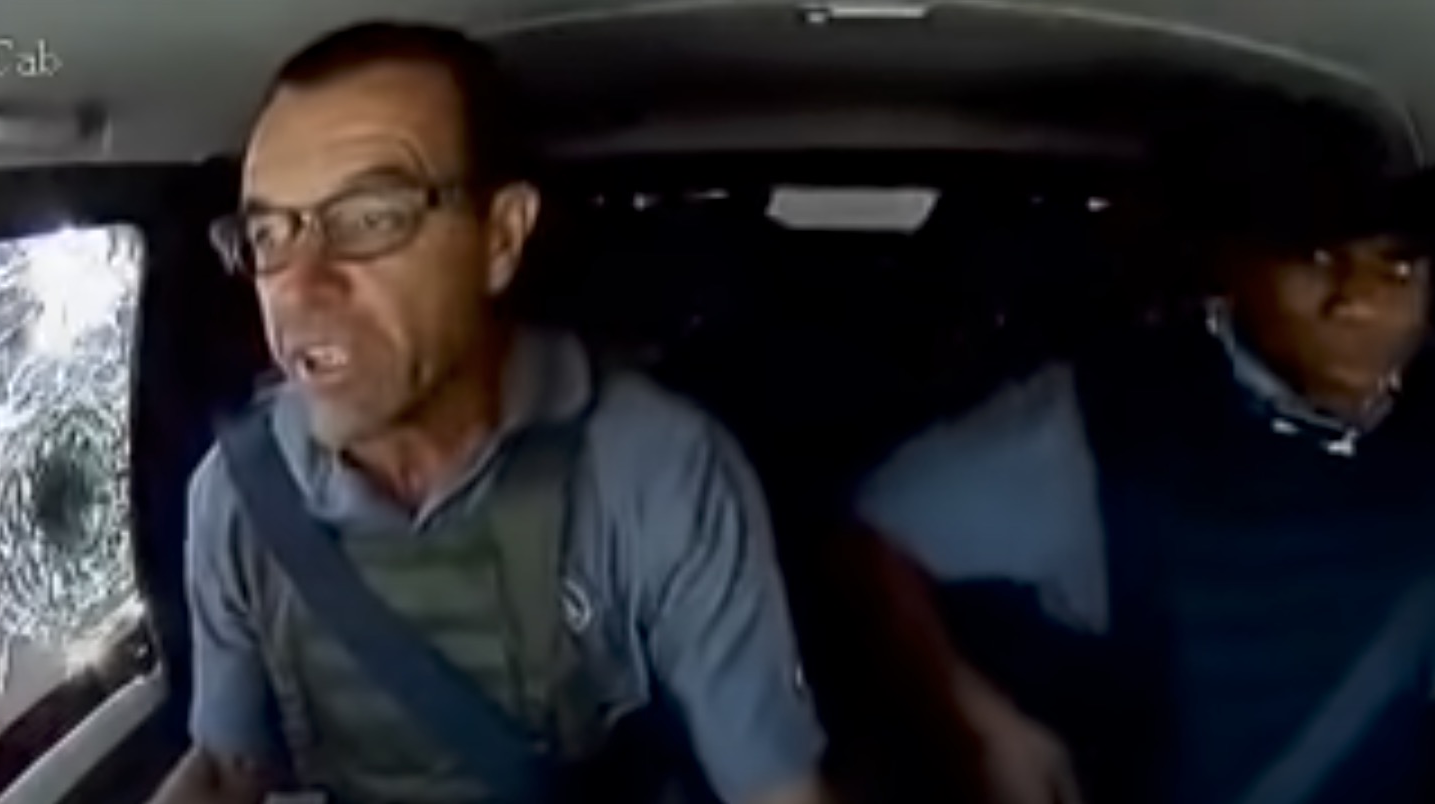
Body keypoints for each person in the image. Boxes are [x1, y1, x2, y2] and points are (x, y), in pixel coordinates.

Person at [149, 22, 833, 804]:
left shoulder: (654, 469)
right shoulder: (237, 493)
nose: (299, 286)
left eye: (370, 218)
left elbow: (775, 791)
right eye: (270, 233)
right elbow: (229, 766)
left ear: (501, 238)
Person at [852, 164, 1435, 804]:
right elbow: (874, 531)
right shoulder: (1109, 418)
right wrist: (977, 719)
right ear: (1236, 267)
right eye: (1316, 261)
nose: (1359, 301)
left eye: (1398, 266)